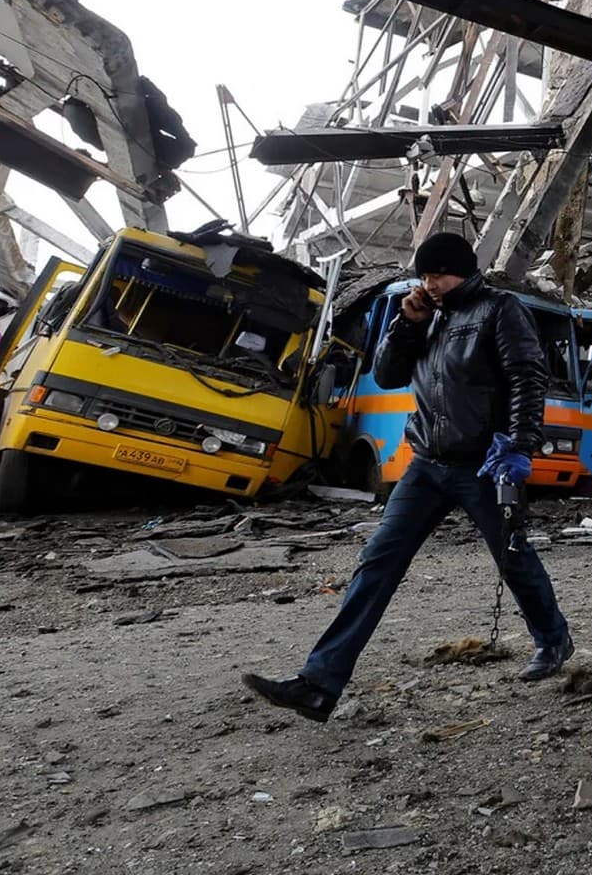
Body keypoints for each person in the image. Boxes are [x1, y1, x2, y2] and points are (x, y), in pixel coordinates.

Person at [242, 232, 573, 723]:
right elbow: (390, 374)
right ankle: (319, 684)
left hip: (482, 464)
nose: (429, 283)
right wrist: (407, 324)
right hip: (426, 464)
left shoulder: (499, 310)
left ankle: (552, 641)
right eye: (423, 275)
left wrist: (519, 446)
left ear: (462, 271)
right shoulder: (426, 314)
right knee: (377, 561)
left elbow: (528, 376)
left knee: (513, 556)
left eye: (437, 274)